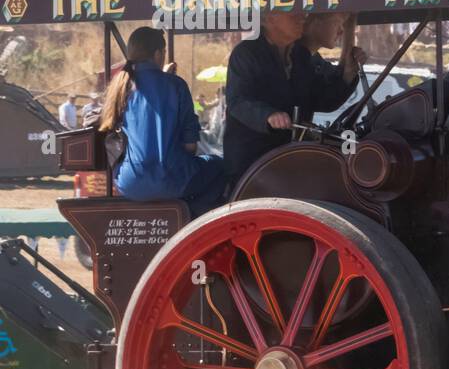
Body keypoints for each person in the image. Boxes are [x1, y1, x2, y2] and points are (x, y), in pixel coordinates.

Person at [98, 26, 226, 216]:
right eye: (164, 52)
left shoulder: (121, 86)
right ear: (158, 54)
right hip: (173, 180)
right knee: (219, 166)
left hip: (130, 183)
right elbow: (190, 146)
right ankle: (192, 217)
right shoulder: (176, 85)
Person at [224, 12, 365, 184]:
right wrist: (268, 116)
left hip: (291, 156)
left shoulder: (300, 56)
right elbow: (237, 101)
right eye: (293, 14)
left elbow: (324, 100)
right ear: (270, 18)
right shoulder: (246, 53)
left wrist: (350, 73)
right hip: (252, 163)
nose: (302, 18)